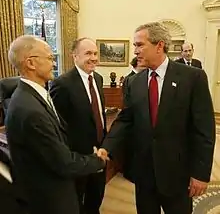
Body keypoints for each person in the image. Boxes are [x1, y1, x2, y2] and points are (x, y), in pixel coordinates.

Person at [98, 22, 215, 214]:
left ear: (159, 46)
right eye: (134, 45)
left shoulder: (193, 78)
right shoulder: (134, 82)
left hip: (177, 174)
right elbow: (126, 119)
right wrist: (106, 148)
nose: (135, 51)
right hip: (144, 174)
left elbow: (204, 130)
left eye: (139, 45)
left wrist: (200, 174)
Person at [6, 35, 106, 214]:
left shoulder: (34, 96)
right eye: (50, 58)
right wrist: (97, 160)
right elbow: (62, 161)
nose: (54, 63)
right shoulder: (30, 109)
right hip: (50, 197)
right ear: (31, 63)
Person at [50, 37, 107, 214]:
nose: (94, 58)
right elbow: (57, 126)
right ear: (75, 56)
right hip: (77, 158)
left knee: (95, 200)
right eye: (88, 53)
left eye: (95, 53)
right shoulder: (62, 84)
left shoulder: (97, 78)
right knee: (76, 205)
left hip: (100, 153)